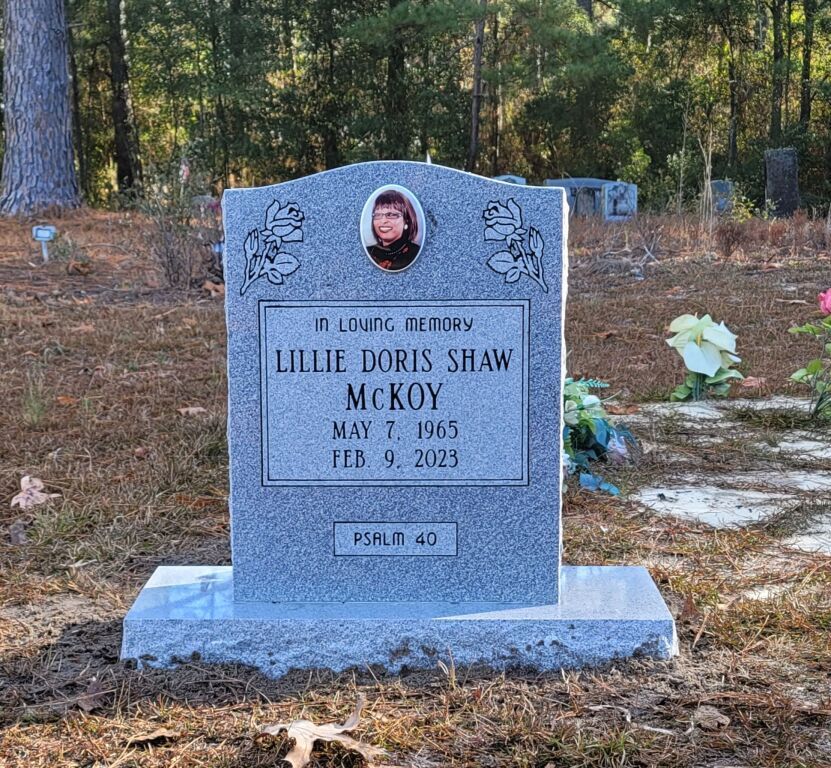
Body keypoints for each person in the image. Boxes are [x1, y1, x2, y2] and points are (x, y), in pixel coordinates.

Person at [366, 190, 420, 271]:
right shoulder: (369, 252)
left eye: (391, 215)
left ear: (406, 220)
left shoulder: (414, 252)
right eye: (377, 215)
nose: (383, 221)